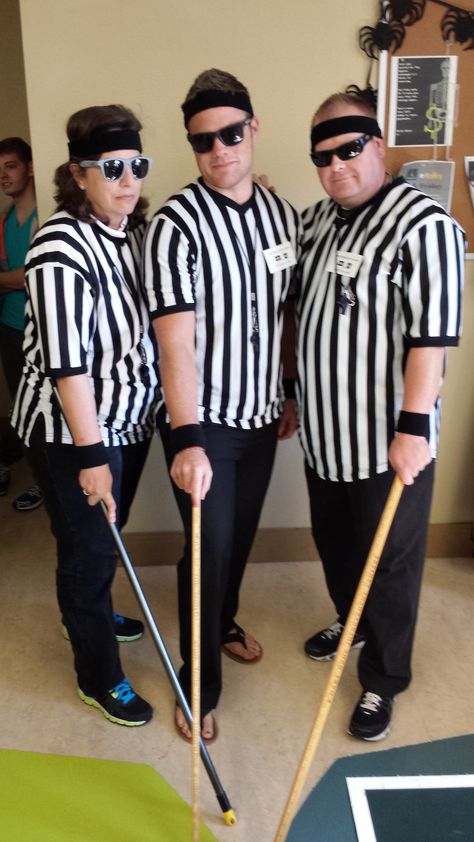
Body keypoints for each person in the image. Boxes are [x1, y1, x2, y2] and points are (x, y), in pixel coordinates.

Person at [297, 92, 464, 741]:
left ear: (378, 144)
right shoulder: (314, 223)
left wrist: (414, 426)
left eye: (348, 149)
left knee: (391, 561)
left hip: (389, 441)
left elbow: (433, 338)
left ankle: (383, 678)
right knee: (336, 545)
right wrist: (290, 389)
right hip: (324, 434)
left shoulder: (425, 225)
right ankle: (353, 620)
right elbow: (295, 309)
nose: (336, 166)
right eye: (322, 156)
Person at [143, 68, 301, 742]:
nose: (219, 150)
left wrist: (287, 390)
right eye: (203, 141)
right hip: (202, 421)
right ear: (192, 143)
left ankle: (224, 618)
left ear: (253, 127)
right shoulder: (175, 226)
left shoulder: (280, 212)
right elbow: (174, 345)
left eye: (231, 134)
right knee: (208, 547)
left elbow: (287, 311)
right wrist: (187, 440)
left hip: (262, 414)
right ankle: (197, 679)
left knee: (235, 543)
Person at [11, 105, 159, 726]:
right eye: (113, 168)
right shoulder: (59, 245)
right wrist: (93, 456)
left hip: (120, 419)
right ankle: (99, 676)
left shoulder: (127, 230)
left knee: (97, 539)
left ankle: (87, 612)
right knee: (89, 549)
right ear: (78, 174)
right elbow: (69, 367)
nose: (129, 180)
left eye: (137, 166)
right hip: (71, 430)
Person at [0, 137, 43, 511]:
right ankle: (29, 473)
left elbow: (35, 276)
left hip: (42, 332)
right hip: (9, 327)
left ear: (30, 168)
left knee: (48, 409)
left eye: (11, 166)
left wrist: (7, 279)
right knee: (21, 408)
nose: (3, 175)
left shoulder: (44, 219)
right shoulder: (3, 224)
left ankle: (46, 482)